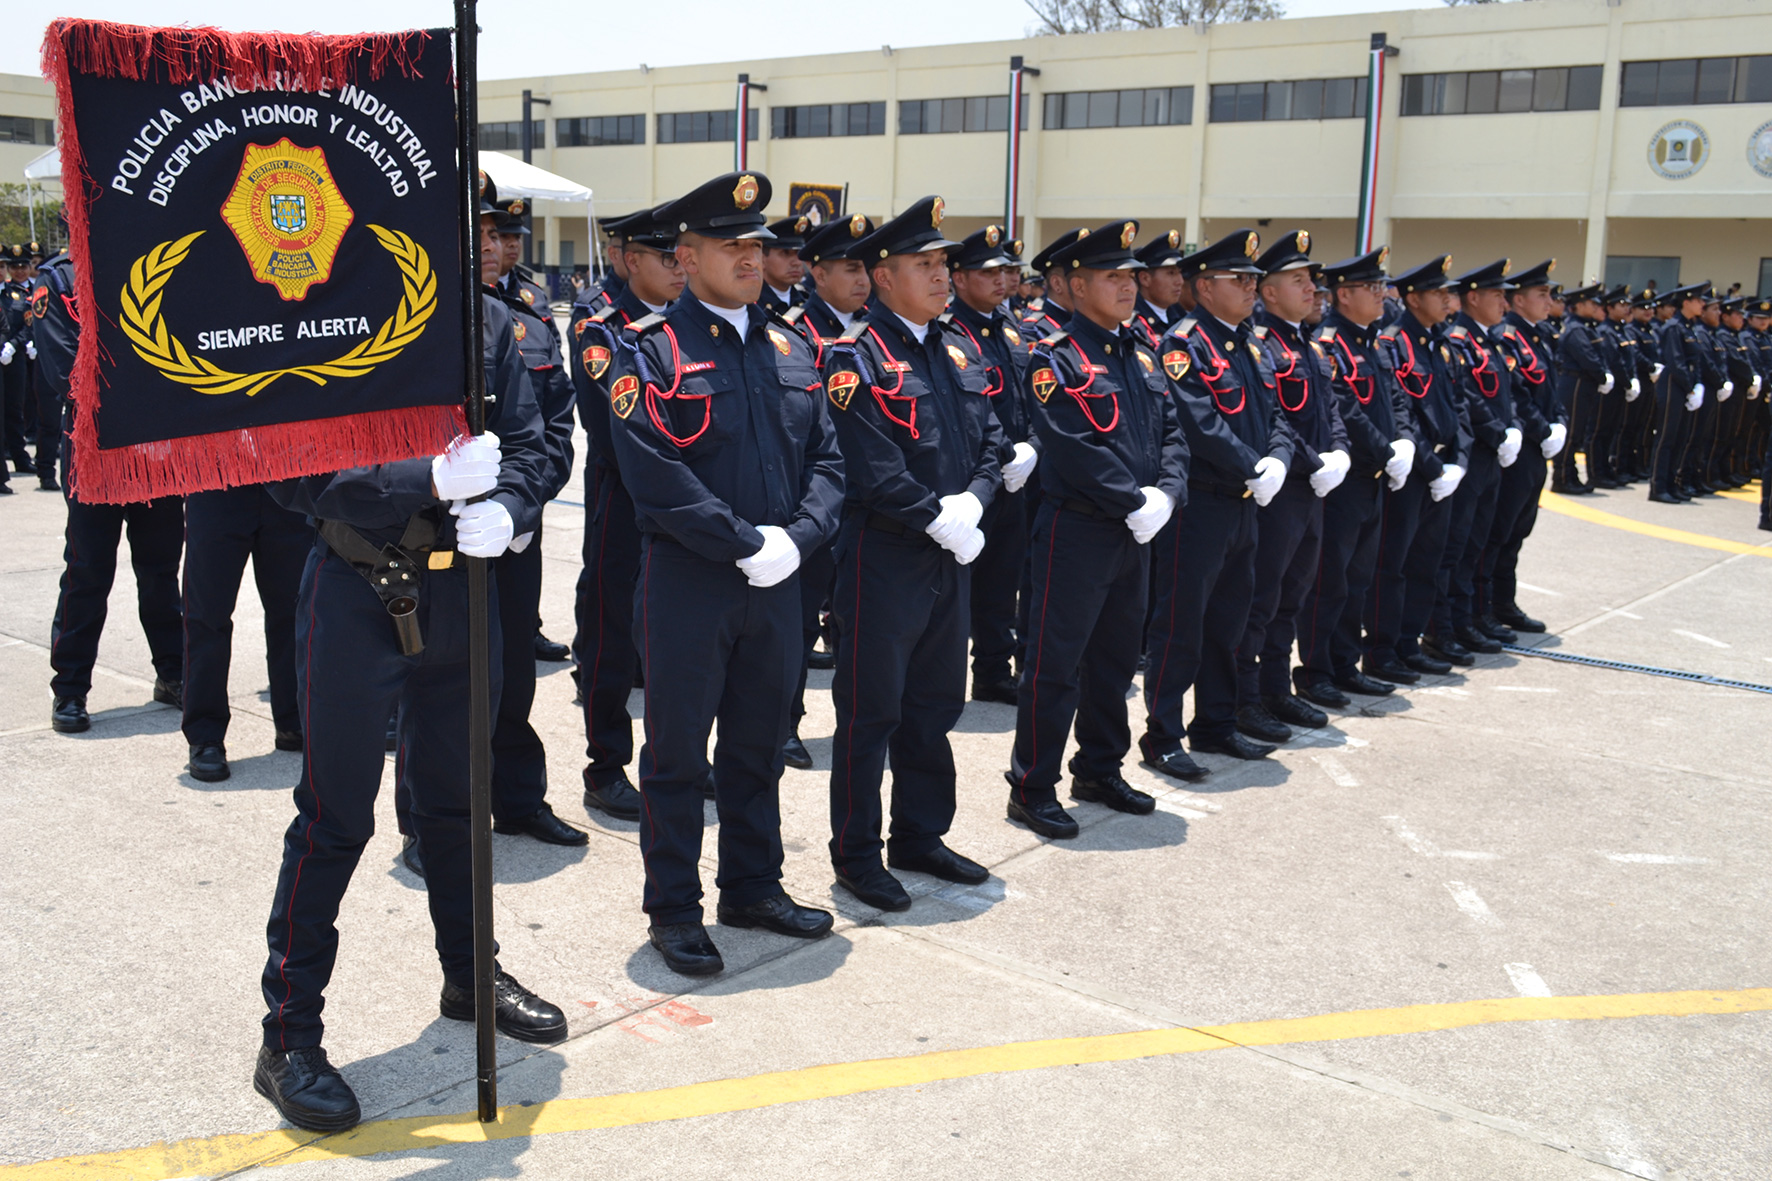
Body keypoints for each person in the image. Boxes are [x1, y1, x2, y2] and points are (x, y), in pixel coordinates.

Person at [254, 184, 566, 1133]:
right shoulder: (310, 312)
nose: (472, 238)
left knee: (457, 801)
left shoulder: (487, 325)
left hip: (462, 586)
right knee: (335, 815)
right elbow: (290, 469)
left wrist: (511, 503)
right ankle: (287, 1033)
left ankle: (471, 977)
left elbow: (539, 440)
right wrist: (417, 478)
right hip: (355, 589)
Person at [606, 172, 843, 977]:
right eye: (732, 245)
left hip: (779, 581)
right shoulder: (649, 350)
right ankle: (673, 908)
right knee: (676, 754)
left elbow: (828, 460)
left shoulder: (791, 344)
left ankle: (752, 883)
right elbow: (656, 476)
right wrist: (745, 540)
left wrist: (799, 539)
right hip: (691, 583)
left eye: (757, 245)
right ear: (687, 255)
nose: (752, 258)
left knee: (757, 746)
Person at [818, 197, 1004, 909]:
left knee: (934, 703)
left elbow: (991, 437)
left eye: (941, 264)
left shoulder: (959, 348)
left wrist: (977, 501)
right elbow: (868, 460)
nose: (940, 276)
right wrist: (936, 515)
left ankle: (920, 833)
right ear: (882, 277)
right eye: (923, 266)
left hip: (951, 547)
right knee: (871, 711)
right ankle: (857, 853)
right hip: (885, 554)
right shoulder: (853, 356)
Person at [1006, 219, 1186, 835]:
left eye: (1132, 276)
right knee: (1054, 665)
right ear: (1076, 287)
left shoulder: (1140, 353)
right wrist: (1132, 500)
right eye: (1113, 276)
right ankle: (1032, 784)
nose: (1128, 286)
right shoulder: (1053, 357)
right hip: (1077, 530)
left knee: (1115, 660)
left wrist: (1164, 494)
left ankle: (1100, 766)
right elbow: (1071, 441)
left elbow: (1172, 434)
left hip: (1134, 532)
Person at [1142, 229, 1292, 780]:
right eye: (1241, 279)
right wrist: (1254, 464)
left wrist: (1276, 459)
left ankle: (1216, 722)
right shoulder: (1184, 345)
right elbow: (1198, 423)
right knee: (1180, 624)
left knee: (1229, 621)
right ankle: (1162, 734)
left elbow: (1277, 414)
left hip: (1244, 504)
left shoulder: (1250, 343)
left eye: (1255, 279)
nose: (1253, 288)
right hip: (1200, 506)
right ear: (1205, 286)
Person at [470, 186, 584, 847]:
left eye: (496, 231)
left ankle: (517, 799)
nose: (491, 244)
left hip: (516, 533)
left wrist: (523, 505)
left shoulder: (527, 319)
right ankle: (431, 825)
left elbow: (554, 426)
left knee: (512, 673)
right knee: (444, 687)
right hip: (440, 536)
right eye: (476, 230)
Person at [42, 242, 184, 733]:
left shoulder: (144, 261)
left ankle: (174, 674)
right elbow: (68, 373)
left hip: (154, 454)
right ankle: (70, 689)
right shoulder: (59, 279)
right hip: (95, 452)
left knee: (161, 571)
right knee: (87, 572)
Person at [571, 205, 684, 821]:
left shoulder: (696, 324)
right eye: (663, 257)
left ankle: (680, 761)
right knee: (613, 634)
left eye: (680, 256)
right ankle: (605, 766)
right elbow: (618, 427)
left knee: (681, 640)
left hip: (692, 503)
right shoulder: (602, 329)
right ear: (629, 258)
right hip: (626, 498)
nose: (677, 268)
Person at [1237, 230, 1349, 743]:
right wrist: (1311, 461)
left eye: (1311, 281)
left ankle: (1277, 688)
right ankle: (1245, 698)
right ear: (1269, 291)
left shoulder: (1307, 344)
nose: (1311, 290)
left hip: (1314, 491)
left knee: (1292, 596)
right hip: (1281, 490)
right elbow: (1275, 418)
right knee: (1260, 599)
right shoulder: (1263, 346)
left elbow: (1330, 411)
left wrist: (1340, 453)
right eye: (1298, 280)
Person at [777, 212, 877, 767]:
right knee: (796, 622)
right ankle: (785, 723)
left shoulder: (875, 330)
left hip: (868, 502)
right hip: (815, 501)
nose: (861, 280)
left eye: (866, 269)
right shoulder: (792, 332)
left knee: (854, 623)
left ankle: (857, 719)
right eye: (849, 268)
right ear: (817, 273)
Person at [1294, 247, 1414, 708]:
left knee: (1359, 578)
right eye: (1372, 287)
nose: (1382, 294)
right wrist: (1387, 449)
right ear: (1344, 294)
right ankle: (1317, 670)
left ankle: (1345, 664)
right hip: (1346, 479)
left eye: (1382, 286)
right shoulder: (1329, 343)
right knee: (1329, 581)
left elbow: (1396, 400)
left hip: (1376, 477)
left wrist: (1403, 443)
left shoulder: (1374, 340)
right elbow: (1345, 408)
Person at [945, 224, 1037, 706]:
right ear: (958, 278)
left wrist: (1032, 448)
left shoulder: (1007, 326)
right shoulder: (950, 332)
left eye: (1006, 271)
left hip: (1016, 477)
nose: (1002, 280)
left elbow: (1029, 401)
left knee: (1003, 579)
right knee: (962, 584)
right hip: (975, 476)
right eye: (988, 272)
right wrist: (1003, 454)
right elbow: (973, 411)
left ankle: (993, 671)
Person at [1368, 255, 1470, 683]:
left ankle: (1411, 642)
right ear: (1413, 298)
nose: (1448, 300)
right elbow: (1402, 414)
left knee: (1429, 561)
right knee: (1394, 565)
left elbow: (1459, 405)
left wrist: (1459, 462)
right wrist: (1432, 467)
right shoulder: (1392, 343)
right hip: (1414, 473)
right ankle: (1381, 650)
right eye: (1439, 293)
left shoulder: (1439, 342)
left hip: (1444, 471)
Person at [179, 485, 313, 782]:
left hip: (284, 472)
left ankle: (293, 719)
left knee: (294, 610)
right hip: (217, 476)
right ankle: (205, 734)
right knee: (206, 615)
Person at [1425, 261, 1522, 664]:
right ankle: (1446, 627)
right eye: (1498, 294)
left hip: (1487, 459)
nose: (1505, 302)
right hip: (1472, 455)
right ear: (1475, 298)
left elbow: (1504, 393)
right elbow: (1469, 400)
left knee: (1479, 542)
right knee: (1456, 548)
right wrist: (1499, 432)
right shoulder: (1459, 340)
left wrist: (1511, 427)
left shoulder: (1490, 340)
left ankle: (1470, 617)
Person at [1481, 261, 1563, 631]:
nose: (1549, 301)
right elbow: (1516, 395)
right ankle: (1486, 606)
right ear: (1518, 300)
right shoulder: (1508, 337)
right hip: (1520, 448)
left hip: (1537, 448)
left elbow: (1551, 389)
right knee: (1499, 531)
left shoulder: (1539, 335)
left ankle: (1503, 601)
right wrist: (1541, 429)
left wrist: (1558, 423)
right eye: (1541, 294)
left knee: (1519, 529)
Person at [1648, 283, 1712, 504]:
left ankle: (1671, 483)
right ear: (1686, 302)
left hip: (1686, 386)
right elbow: (1676, 362)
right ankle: (1658, 486)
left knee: (1681, 437)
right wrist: (1691, 387)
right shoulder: (1674, 327)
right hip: (1673, 385)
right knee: (1667, 437)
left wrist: (1699, 385)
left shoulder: (1689, 327)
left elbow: (1697, 360)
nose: (1702, 304)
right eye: (1698, 300)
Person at [1551, 282, 1614, 495]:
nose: (1596, 307)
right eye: (1591, 303)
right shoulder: (1576, 329)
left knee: (1577, 433)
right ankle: (1562, 477)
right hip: (1575, 383)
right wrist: (1602, 375)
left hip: (1584, 383)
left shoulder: (1585, 327)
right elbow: (1588, 357)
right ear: (1578, 305)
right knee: (1572, 432)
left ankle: (1571, 475)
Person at [1, 243, 37, 482]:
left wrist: (13, 345)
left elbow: (28, 323)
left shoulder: (17, 295)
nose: (18, 270)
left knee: (15, 408)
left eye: (22, 266)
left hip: (12, 358)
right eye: (11, 266)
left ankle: (19, 456)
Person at [1130, 229, 1186, 348]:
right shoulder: (1132, 323)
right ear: (1145, 279)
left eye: (1179, 273)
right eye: (1171, 273)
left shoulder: (1179, 315)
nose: (1180, 281)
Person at [758, 216, 810, 316]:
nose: (797, 263)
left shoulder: (806, 302)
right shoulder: (752, 304)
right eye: (786, 253)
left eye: (799, 253)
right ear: (762, 258)